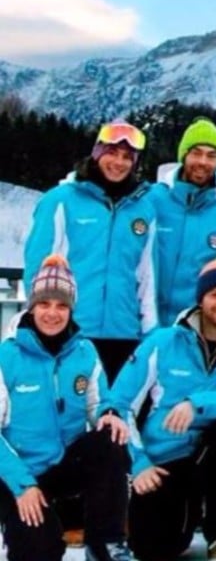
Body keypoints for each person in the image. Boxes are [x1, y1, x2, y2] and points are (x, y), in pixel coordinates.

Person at [110, 258, 216, 561]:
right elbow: (119, 404)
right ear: (200, 298)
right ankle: (185, 514)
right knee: (152, 552)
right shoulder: (163, 342)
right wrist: (139, 462)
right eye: (215, 294)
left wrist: (198, 403)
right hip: (167, 458)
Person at [0, 256, 132, 561]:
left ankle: (104, 544)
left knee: (110, 438)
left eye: (61, 305)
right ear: (31, 307)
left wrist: (109, 414)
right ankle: (22, 519)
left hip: (62, 464)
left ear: (71, 309)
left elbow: (99, 403)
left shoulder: (84, 352)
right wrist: (22, 485)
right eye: (44, 304)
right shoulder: (6, 355)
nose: (52, 313)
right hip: (21, 471)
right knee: (38, 559)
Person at [24, 120, 158, 381]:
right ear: (97, 154)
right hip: (71, 333)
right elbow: (37, 270)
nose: (118, 162)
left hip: (124, 335)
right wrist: (40, 326)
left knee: (116, 406)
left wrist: (150, 331)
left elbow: (147, 276)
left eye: (127, 157)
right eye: (112, 153)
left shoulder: (143, 209)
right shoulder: (60, 200)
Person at [150, 117, 216, 326]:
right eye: (196, 153)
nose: (202, 162)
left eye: (211, 156)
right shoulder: (152, 199)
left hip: (196, 326)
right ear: (184, 155)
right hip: (146, 321)